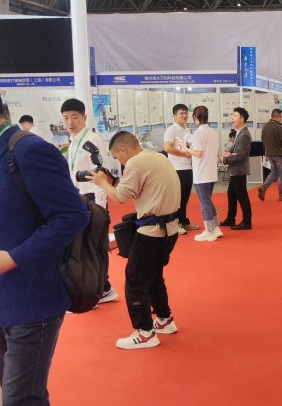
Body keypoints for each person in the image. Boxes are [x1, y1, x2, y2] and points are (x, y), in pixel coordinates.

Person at [0, 73, 89, 406]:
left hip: (32, 299)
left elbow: (73, 215)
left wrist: (16, 257)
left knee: (20, 398)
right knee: (11, 391)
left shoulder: (28, 150)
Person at [88, 131, 181, 348]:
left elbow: (120, 197)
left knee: (135, 281)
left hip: (152, 232)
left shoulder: (135, 163)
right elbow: (134, 187)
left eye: (118, 157)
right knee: (154, 276)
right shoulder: (156, 156)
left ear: (123, 150)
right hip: (169, 229)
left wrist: (102, 183)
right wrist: (112, 180)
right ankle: (164, 319)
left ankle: (145, 332)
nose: (120, 163)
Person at [60, 98, 118, 304]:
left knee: (94, 247)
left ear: (84, 117)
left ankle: (103, 289)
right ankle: (101, 287)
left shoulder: (91, 141)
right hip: (79, 199)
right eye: (66, 118)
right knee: (85, 247)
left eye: (75, 117)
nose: (70, 122)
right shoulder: (74, 140)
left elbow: (101, 174)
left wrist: (100, 208)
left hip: (93, 200)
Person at [184, 106, 222, 242]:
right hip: (210, 172)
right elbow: (216, 151)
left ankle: (209, 231)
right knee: (208, 201)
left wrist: (185, 148)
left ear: (195, 117)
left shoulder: (199, 133)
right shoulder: (212, 132)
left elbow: (198, 153)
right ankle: (215, 228)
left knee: (204, 202)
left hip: (202, 173)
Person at [163, 104, 200, 235]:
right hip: (177, 168)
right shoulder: (171, 130)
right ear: (175, 115)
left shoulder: (188, 130)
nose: (184, 115)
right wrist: (184, 154)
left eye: (186, 113)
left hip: (188, 167)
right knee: (176, 199)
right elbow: (167, 148)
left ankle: (183, 221)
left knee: (185, 197)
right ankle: (174, 223)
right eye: (181, 113)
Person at [219, 107, 253, 230]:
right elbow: (236, 151)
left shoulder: (244, 135)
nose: (232, 118)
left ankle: (247, 222)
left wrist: (226, 160)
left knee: (242, 196)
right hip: (235, 170)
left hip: (239, 170)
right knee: (231, 195)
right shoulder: (239, 132)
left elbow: (241, 155)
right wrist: (228, 153)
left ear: (242, 119)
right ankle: (230, 218)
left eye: (234, 116)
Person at [258, 108, 282, 202]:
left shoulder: (265, 126)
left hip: (269, 154)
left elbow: (263, 139)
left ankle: (264, 187)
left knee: (274, 172)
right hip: (279, 154)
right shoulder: (278, 127)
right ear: (277, 117)